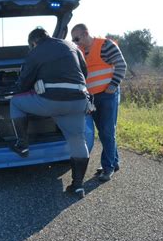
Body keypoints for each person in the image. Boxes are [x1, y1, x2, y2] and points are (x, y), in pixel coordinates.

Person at [9, 27, 90, 198]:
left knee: (15, 102)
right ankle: (78, 186)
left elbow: (24, 83)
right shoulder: (72, 46)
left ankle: (22, 145)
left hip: (52, 102)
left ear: (33, 42)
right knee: (78, 140)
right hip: (79, 100)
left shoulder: (36, 52)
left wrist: (15, 89)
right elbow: (85, 72)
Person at [71, 24, 127, 182]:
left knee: (107, 131)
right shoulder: (79, 51)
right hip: (92, 98)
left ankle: (107, 168)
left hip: (108, 95)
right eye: (73, 40)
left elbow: (121, 65)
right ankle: (114, 162)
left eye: (76, 38)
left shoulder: (105, 45)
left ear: (86, 33)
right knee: (103, 132)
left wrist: (112, 85)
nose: (75, 42)